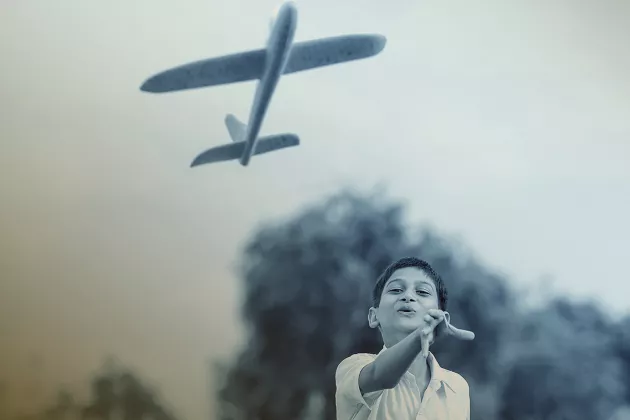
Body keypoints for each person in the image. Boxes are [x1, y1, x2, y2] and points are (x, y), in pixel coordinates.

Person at [335, 257, 475, 420]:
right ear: (374, 316)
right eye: (395, 290)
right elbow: (379, 376)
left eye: (422, 292)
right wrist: (420, 335)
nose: (408, 296)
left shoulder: (457, 388)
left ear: (443, 318)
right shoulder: (352, 368)